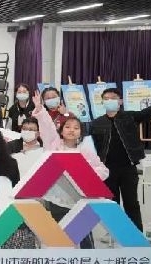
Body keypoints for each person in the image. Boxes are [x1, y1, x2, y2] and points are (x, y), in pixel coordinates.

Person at [32, 91, 109, 248]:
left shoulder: (85, 150)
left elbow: (103, 170)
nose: (71, 130)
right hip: (58, 199)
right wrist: (40, 110)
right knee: (60, 237)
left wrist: (87, 175)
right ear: (61, 130)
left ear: (81, 132)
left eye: (76, 128)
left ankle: (87, 260)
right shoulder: (53, 145)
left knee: (84, 238)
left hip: (82, 200)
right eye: (67, 127)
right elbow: (47, 128)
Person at [90, 88, 151, 231]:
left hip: (128, 168)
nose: (109, 101)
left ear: (120, 101)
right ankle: (116, 232)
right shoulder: (96, 123)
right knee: (112, 204)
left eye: (113, 98)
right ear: (102, 102)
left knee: (131, 203)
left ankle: (137, 234)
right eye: (106, 98)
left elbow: (150, 111)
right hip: (107, 170)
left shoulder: (130, 117)